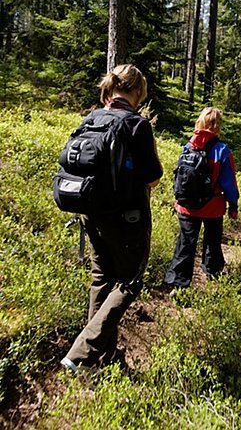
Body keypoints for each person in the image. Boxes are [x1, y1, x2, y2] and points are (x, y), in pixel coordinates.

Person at [61, 64, 163, 372]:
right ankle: (80, 353)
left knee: (101, 280)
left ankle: (101, 360)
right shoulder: (137, 125)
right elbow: (153, 175)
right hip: (127, 218)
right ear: (137, 92)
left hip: (92, 213)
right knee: (129, 282)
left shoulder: (92, 118)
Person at [165, 107, 239, 291]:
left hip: (186, 206)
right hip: (212, 207)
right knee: (212, 240)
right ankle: (213, 274)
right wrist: (233, 205)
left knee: (186, 242)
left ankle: (178, 283)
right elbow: (229, 183)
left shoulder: (188, 146)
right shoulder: (222, 150)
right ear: (217, 126)